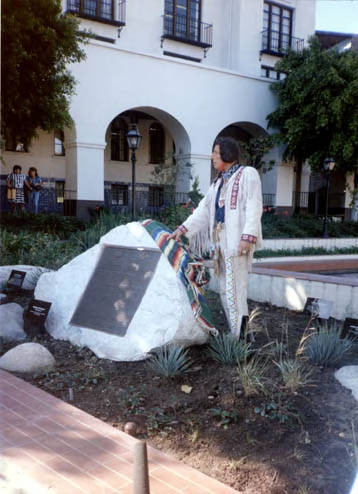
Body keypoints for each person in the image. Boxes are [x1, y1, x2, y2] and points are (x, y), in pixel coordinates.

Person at [168, 137, 263, 338]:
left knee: (236, 291)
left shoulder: (247, 174)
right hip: (220, 244)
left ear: (227, 154)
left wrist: (247, 237)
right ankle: (236, 333)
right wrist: (183, 230)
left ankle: (242, 337)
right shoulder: (218, 182)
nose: (212, 156)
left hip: (237, 243)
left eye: (215, 152)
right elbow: (203, 211)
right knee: (224, 291)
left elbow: (255, 206)